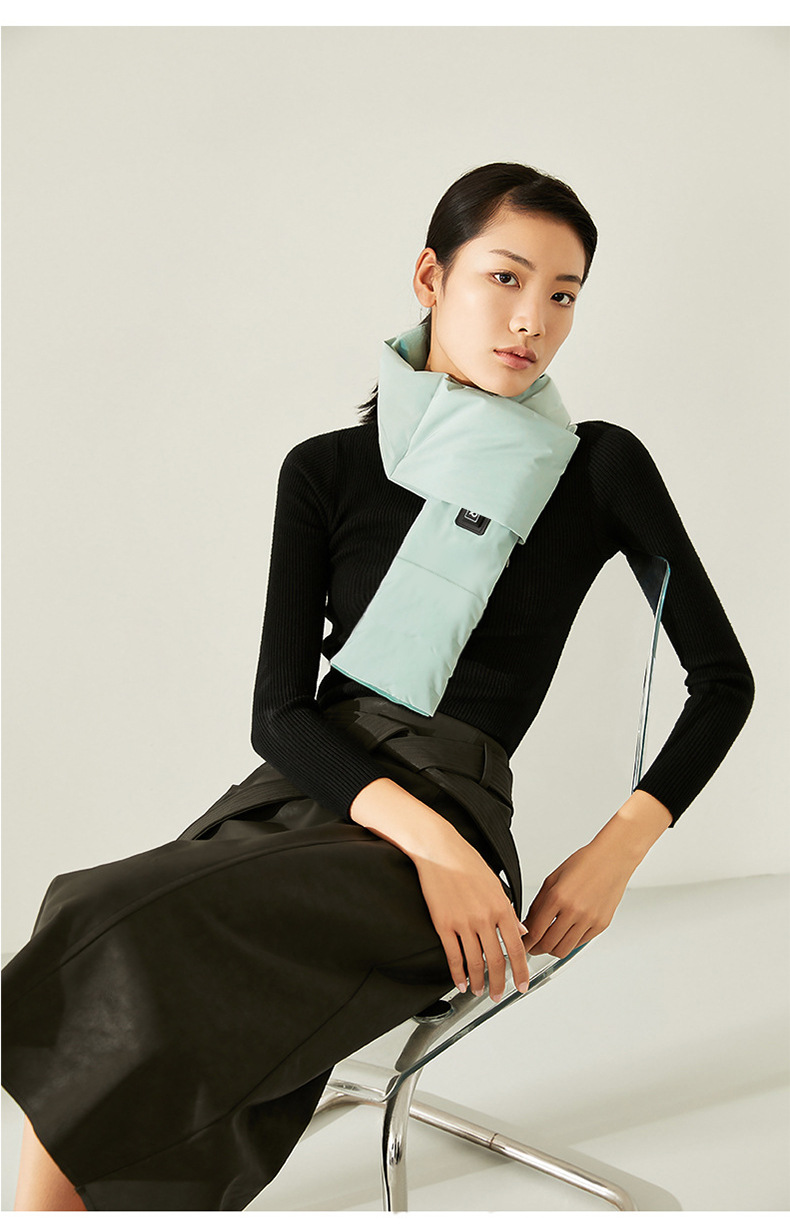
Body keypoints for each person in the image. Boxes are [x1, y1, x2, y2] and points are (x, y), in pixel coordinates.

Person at [2, 162, 755, 1212]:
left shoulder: (596, 466)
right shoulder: (325, 469)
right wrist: (430, 845)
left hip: (456, 806)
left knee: (127, 925)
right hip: (321, 789)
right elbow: (279, 713)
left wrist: (614, 851)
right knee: (97, 913)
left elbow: (722, 681)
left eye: (563, 293)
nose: (532, 319)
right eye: (505, 277)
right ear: (430, 277)